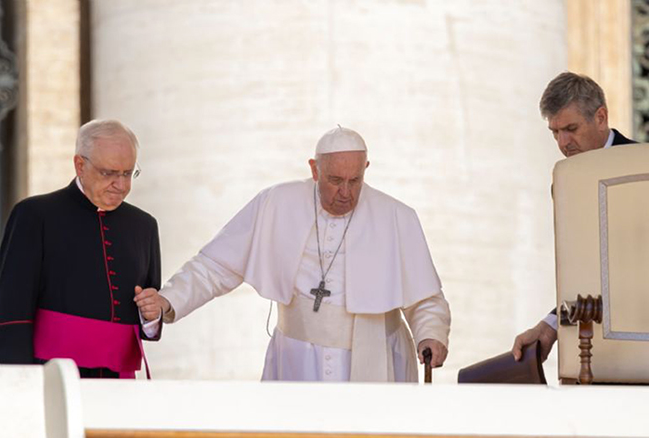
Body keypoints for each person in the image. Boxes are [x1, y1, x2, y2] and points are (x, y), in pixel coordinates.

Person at [135, 126, 451, 382]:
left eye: (355, 181)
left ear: (365, 169)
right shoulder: (276, 203)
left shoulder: (396, 216)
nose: (345, 193)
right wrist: (169, 299)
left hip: (375, 359)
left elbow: (425, 297)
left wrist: (431, 334)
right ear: (314, 169)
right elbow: (216, 266)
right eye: (335, 180)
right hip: (297, 360)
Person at [0, 119, 162, 378]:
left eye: (128, 173)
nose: (121, 185)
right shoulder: (35, 215)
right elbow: (11, 311)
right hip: (52, 374)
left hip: (119, 382)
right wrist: (20, 381)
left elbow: (146, 315)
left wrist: (152, 317)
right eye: (109, 173)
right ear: (80, 165)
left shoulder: (144, 226)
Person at [512, 72, 636, 363]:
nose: (563, 142)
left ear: (601, 117)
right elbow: (583, 268)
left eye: (571, 128)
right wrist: (550, 325)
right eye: (555, 132)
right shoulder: (564, 183)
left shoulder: (642, 166)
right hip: (590, 350)